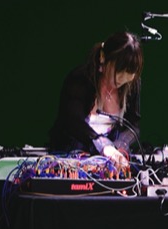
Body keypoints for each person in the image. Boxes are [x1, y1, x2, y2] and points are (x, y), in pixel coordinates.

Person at [48, 30, 143, 173]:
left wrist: (119, 147)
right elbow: (73, 122)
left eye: (129, 74)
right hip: (75, 152)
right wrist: (103, 145)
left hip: (110, 156)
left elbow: (133, 125)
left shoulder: (132, 85)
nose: (123, 79)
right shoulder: (80, 79)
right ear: (103, 57)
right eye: (119, 71)